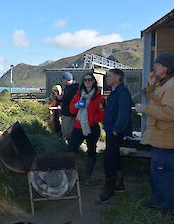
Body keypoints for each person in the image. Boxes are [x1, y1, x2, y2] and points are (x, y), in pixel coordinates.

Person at [137, 53, 174, 216]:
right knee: (157, 174)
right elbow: (155, 100)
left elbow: (170, 112)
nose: (153, 68)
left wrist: (146, 109)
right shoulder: (164, 84)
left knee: (163, 177)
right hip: (160, 140)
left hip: (166, 141)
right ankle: (159, 201)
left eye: (156, 65)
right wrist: (151, 85)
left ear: (165, 68)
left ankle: (167, 209)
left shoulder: (172, 86)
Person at [98, 69, 132, 202]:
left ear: (118, 78)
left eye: (109, 76)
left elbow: (123, 113)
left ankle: (109, 189)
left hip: (115, 131)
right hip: (111, 129)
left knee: (109, 159)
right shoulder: (115, 92)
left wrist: (116, 129)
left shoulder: (122, 92)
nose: (107, 78)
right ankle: (119, 184)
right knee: (115, 156)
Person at [68, 73, 105, 185]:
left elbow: (103, 113)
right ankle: (70, 175)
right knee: (71, 149)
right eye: (85, 80)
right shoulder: (78, 95)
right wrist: (76, 106)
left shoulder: (99, 97)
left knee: (91, 151)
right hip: (78, 127)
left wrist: (91, 120)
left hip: (92, 128)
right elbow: (71, 111)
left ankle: (88, 177)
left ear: (94, 81)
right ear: (83, 82)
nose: (88, 82)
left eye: (90, 80)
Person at [57, 72, 79, 143]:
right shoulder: (68, 88)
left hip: (70, 114)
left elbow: (73, 100)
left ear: (67, 79)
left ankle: (72, 149)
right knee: (64, 132)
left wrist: (62, 98)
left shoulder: (74, 88)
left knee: (69, 133)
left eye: (64, 80)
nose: (63, 81)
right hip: (66, 113)